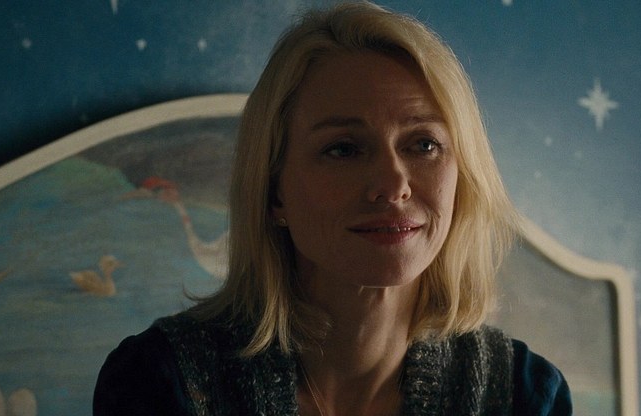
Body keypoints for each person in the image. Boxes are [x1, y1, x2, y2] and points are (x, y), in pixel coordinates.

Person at [93, 2, 572, 415]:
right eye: (343, 149)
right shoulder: (158, 382)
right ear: (274, 192)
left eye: (424, 144)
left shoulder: (524, 395)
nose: (393, 186)